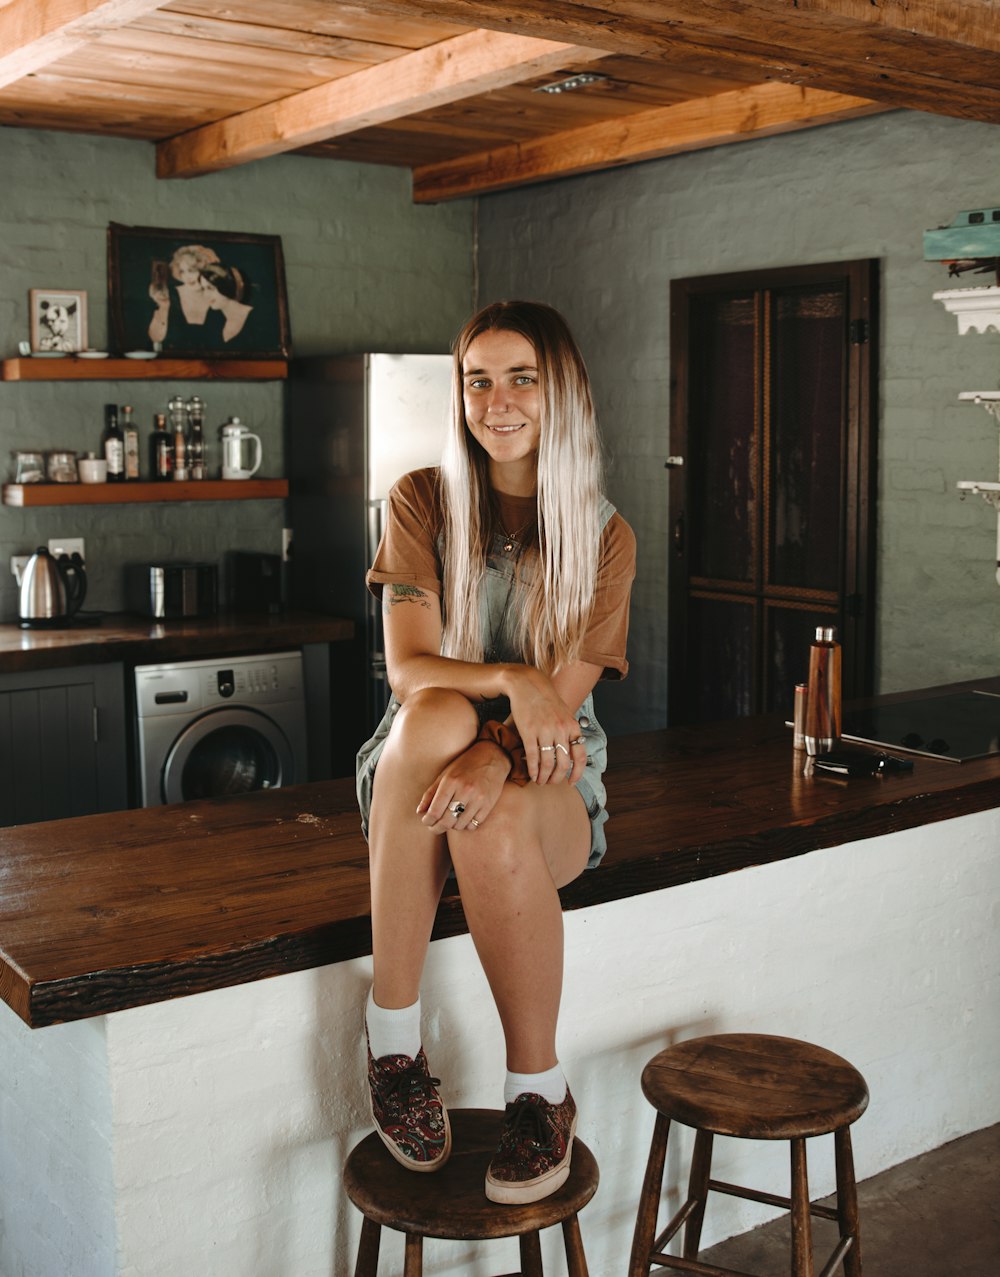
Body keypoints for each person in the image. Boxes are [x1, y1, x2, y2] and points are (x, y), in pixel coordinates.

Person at [355, 299, 636, 1205]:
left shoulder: (604, 538)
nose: (497, 400)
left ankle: (537, 1093)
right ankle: (393, 1039)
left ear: (562, 393)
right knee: (435, 713)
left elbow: (566, 706)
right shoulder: (420, 500)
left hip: (548, 769)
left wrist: (502, 745)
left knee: (493, 813)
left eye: (523, 378)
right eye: (478, 379)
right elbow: (406, 668)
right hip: (419, 754)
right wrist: (512, 677)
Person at [147, 244, 219, 344]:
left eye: (192, 270)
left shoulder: (218, 298)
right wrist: (164, 307)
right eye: (182, 271)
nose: (187, 276)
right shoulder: (169, 295)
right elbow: (156, 338)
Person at [197, 262, 254, 344]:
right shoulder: (213, 317)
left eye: (210, 288)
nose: (205, 295)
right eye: (203, 289)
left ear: (226, 286)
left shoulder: (255, 318)